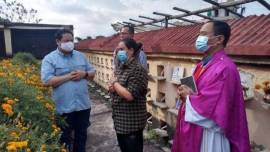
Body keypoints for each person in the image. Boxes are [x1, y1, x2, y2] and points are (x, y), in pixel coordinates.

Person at [172, 21, 250, 152]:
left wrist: (188, 98)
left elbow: (216, 107)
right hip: (196, 127)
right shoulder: (202, 64)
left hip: (211, 135)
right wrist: (185, 91)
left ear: (219, 39)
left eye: (203, 34)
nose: (198, 39)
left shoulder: (225, 68)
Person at [41, 29, 95, 152]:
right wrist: (68, 76)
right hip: (63, 107)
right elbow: (46, 81)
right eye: (66, 41)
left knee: (81, 137)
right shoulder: (49, 59)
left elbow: (92, 73)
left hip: (83, 106)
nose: (69, 43)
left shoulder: (80, 56)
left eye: (71, 40)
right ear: (58, 41)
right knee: (64, 139)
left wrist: (84, 73)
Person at [108, 38, 148, 152]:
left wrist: (114, 83)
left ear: (130, 50)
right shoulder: (121, 67)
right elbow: (116, 87)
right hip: (120, 121)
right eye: (118, 49)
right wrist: (112, 88)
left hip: (131, 123)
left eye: (121, 49)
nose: (118, 52)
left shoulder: (137, 69)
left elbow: (129, 95)